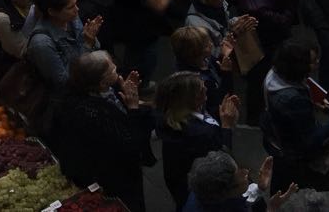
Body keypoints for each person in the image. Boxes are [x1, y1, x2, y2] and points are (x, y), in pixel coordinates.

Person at [52, 51, 154, 212]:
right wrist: (134, 108)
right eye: (112, 70)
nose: (116, 70)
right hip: (112, 177)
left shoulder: (75, 90)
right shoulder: (94, 113)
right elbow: (129, 143)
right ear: (101, 83)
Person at [261, 40, 329, 194]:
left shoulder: (274, 75)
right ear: (297, 67)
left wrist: (311, 102)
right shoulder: (293, 100)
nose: (317, 63)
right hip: (292, 155)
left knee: (280, 186)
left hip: (276, 141)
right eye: (311, 62)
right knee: (292, 191)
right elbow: (309, 140)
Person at [157, 72, 239, 209]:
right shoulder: (202, 134)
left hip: (180, 182)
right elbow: (221, 158)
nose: (206, 88)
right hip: (204, 188)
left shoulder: (170, 116)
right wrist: (226, 126)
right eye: (201, 89)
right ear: (192, 99)